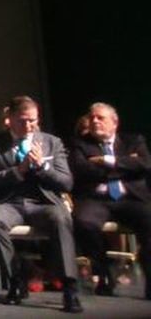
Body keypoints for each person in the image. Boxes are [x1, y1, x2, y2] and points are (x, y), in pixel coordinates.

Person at [0, 94, 81, 312]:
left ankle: (69, 286)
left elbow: (67, 182)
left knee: (61, 217)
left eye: (33, 120)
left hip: (42, 201)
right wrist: (19, 170)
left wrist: (43, 168)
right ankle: (14, 279)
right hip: (10, 202)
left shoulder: (51, 143)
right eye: (23, 120)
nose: (29, 126)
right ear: (10, 119)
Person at [69, 102, 150, 299]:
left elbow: (145, 164)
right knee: (83, 222)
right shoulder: (80, 143)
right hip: (96, 199)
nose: (94, 121)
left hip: (130, 198)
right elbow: (80, 169)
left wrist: (107, 161)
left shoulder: (134, 141)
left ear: (114, 122)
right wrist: (126, 164)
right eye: (92, 117)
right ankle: (104, 272)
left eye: (100, 118)